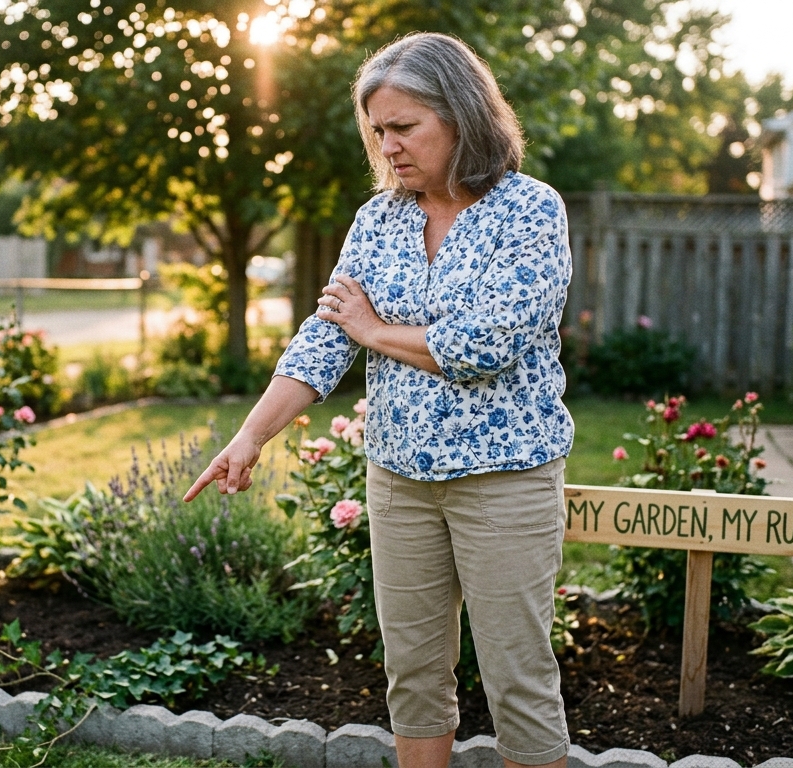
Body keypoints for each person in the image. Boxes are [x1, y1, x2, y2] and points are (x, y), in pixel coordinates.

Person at [184, 32, 574, 768]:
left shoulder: (530, 212)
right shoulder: (379, 220)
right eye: (378, 131)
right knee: (414, 676)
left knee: (517, 680)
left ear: (461, 116)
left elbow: (485, 345)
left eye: (405, 127)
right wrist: (251, 436)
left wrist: (375, 327)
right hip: (399, 481)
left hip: (504, 482)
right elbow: (325, 341)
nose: (388, 146)